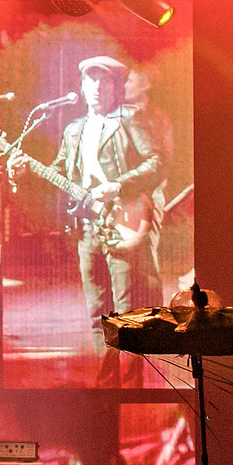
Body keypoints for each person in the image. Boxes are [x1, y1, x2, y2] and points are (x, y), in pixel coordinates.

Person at [47, 55, 163, 332]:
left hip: (122, 223)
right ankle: (104, 364)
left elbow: (157, 162)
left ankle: (130, 363)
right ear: (82, 86)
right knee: (98, 315)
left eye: (104, 81)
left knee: (128, 314)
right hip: (88, 229)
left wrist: (119, 186)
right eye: (91, 80)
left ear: (116, 87)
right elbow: (56, 172)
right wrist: (21, 172)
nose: (97, 86)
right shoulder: (73, 131)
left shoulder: (129, 120)